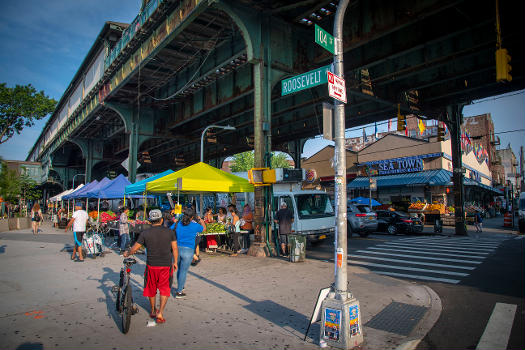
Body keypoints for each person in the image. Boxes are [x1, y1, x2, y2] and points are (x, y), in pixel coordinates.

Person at [124, 209, 178, 324]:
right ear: (162, 220)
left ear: (149, 221)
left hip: (151, 265)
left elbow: (135, 248)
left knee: (151, 288)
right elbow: (174, 248)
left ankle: (153, 310)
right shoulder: (170, 232)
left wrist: (127, 253)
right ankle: (160, 313)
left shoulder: (145, 233)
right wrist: (175, 262)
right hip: (166, 265)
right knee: (164, 289)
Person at [174, 208, 205, 298]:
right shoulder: (194, 225)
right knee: (183, 271)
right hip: (188, 250)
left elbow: (170, 229)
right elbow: (204, 229)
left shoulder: (178, 224)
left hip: (177, 248)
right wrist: (201, 220)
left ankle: (181, 286)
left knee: (179, 269)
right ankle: (179, 292)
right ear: (192, 217)